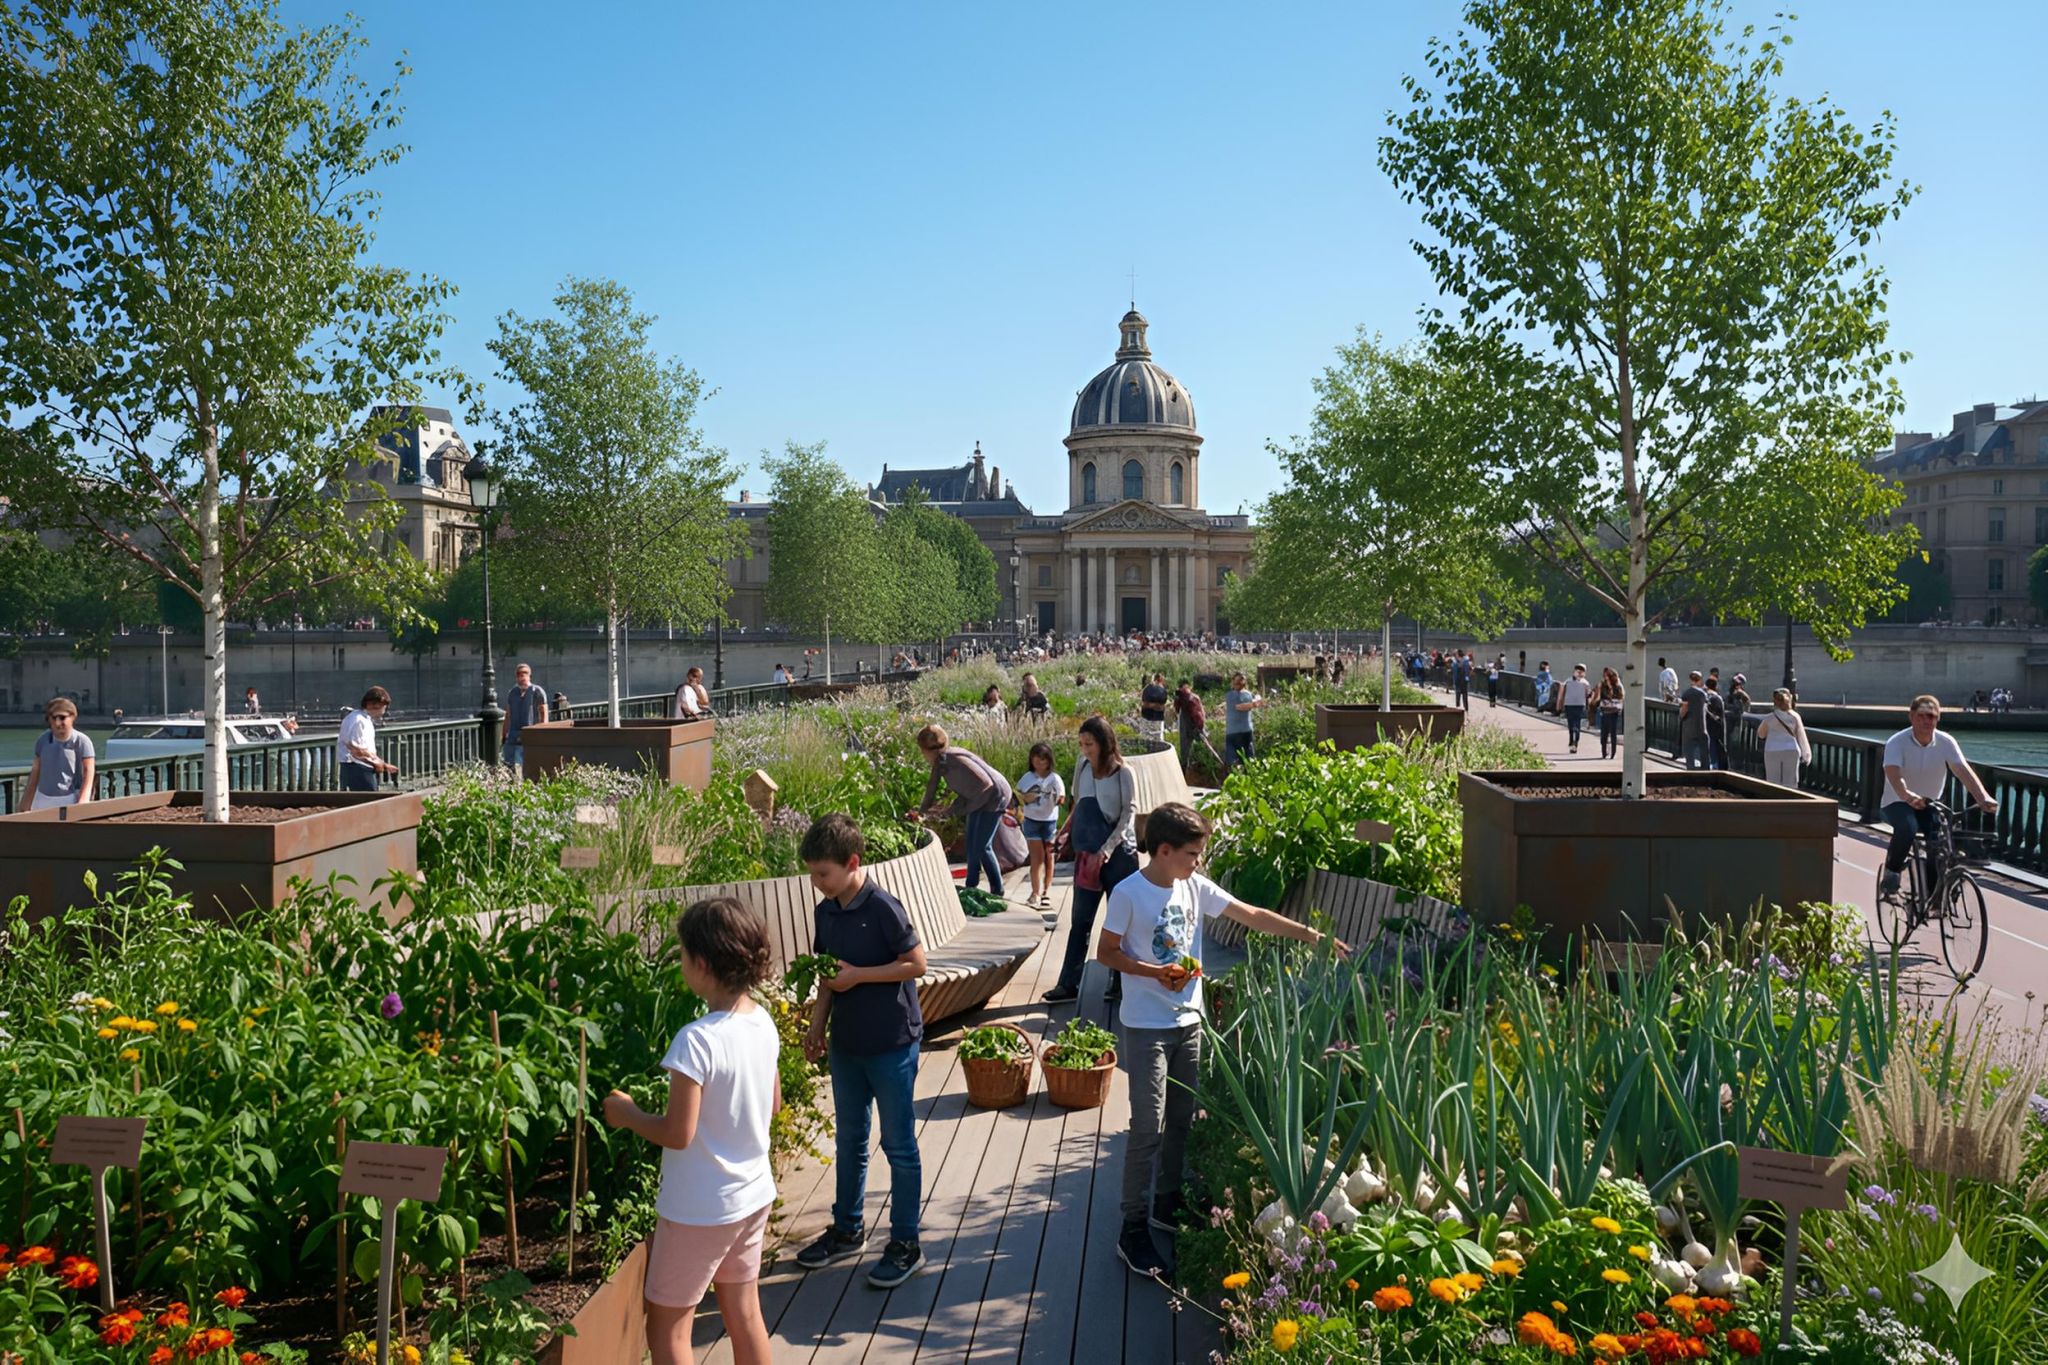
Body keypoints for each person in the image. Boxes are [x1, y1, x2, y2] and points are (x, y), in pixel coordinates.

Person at [1099, 801, 1349, 1278]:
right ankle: (1132, 1227)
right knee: (1148, 1127)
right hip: (1147, 1027)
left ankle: (1167, 1203)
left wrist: (1310, 935)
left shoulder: (1193, 886)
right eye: (1192, 854)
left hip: (1189, 1022)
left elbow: (1250, 914)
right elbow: (1106, 952)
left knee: (1180, 1121)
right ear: (1164, 850)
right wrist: (1154, 972)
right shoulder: (1129, 893)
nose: (1198, 863)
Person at [601, 898, 779, 1365]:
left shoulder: (696, 1041)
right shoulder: (762, 1022)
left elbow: (678, 1133)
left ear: (701, 964)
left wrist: (628, 1114)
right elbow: (773, 1104)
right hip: (753, 1194)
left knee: (667, 1329)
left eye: (682, 954)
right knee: (745, 1312)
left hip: (700, 1209)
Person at [796, 816, 928, 1289]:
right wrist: (817, 1026)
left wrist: (859, 976)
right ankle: (848, 1228)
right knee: (850, 1139)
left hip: (892, 1043)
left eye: (823, 873)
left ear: (853, 863)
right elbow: (827, 975)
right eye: (812, 873)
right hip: (847, 1045)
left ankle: (906, 1242)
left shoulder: (884, 907)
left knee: (898, 1145)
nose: (817, 882)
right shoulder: (825, 912)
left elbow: (916, 964)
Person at [1042, 715, 1139, 1006]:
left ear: (1105, 743)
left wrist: (1107, 849)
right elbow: (1077, 804)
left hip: (1119, 854)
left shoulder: (1123, 772)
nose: (1085, 749)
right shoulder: (1082, 766)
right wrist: (1064, 834)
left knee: (1120, 921)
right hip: (1087, 854)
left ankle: (1121, 983)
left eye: (1090, 744)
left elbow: (1129, 814)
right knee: (1080, 919)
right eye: (1082, 744)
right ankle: (1068, 983)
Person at [1879, 696, 1998, 903]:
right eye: (1922, 716)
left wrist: (1983, 797)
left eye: (1932, 716)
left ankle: (1932, 896)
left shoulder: (1946, 742)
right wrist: (1907, 795)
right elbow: (1893, 774)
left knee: (1938, 842)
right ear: (1912, 717)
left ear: (1938, 719)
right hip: (1897, 802)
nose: (1927, 721)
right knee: (1907, 827)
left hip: (1929, 803)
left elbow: (1962, 770)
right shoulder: (1896, 742)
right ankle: (1892, 872)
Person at [909, 724, 1012, 897]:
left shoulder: (953, 759)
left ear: (929, 749)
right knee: (971, 841)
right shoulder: (940, 762)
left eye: (922, 751)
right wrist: (921, 812)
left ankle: (997, 889)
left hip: (995, 797)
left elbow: (986, 784)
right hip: (977, 799)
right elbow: (931, 788)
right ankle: (971, 885)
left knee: (982, 846)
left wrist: (965, 808)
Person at [1016, 741, 1065, 911]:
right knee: (1036, 857)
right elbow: (1017, 796)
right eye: (1035, 758)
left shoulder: (1055, 778)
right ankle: (1035, 892)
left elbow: (1061, 797)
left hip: (1049, 821)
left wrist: (1056, 799)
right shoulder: (1027, 777)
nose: (1039, 762)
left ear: (1049, 760)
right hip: (1031, 820)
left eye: (1042, 759)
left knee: (1049, 856)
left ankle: (1046, 892)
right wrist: (1025, 798)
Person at [26, 697, 95, 811]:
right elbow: (35, 771)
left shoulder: (82, 741)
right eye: (54, 718)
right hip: (41, 798)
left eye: (62, 718)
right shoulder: (43, 740)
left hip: (69, 798)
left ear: (72, 717)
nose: (58, 723)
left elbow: (89, 771)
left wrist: (83, 800)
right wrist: (26, 802)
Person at [337, 687, 398, 791]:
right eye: (384, 706)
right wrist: (378, 763)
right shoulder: (358, 720)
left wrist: (383, 764)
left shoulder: (363, 719)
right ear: (376, 704)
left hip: (361, 767)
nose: (384, 710)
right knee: (368, 799)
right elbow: (356, 749)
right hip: (357, 768)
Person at [1756, 688, 1810, 789]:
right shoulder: (1795, 717)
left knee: (1773, 782)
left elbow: (1761, 734)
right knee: (1791, 783)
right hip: (1792, 750)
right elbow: (1801, 736)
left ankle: (1774, 798)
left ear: (1774, 701)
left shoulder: (1769, 718)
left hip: (1772, 750)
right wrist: (1806, 755)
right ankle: (1789, 798)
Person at [503, 663, 548, 773]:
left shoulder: (537, 691)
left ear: (529, 676)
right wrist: (504, 734)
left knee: (526, 764)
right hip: (513, 735)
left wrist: (543, 733)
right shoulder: (512, 692)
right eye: (519, 674)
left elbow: (544, 713)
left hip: (529, 734)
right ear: (516, 677)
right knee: (508, 764)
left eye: (525, 673)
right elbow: (508, 714)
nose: (522, 676)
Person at [1173, 680, 1222, 773]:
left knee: (1186, 751)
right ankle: (1217, 765)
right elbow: (1198, 714)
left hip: (1189, 726)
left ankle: (1185, 770)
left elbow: (1179, 710)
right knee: (1206, 745)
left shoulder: (1184, 698)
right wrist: (1200, 726)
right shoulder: (1191, 698)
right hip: (1194, 726)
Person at [1223, 672, 1263, 773]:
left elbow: (1255, 699)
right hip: (1233, 733)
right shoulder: (1230, 695)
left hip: (1246, 731)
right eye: (1236, 681)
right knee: (1234, 762)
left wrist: (1257, 700)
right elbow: (1239, 707)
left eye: (1240, 681)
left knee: (1249, 760)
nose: (1238, 683)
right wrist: (1254, 704)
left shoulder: (1248, 694)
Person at [1559, 663, 1593, 754]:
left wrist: (1589, 706)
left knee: (1577, 725)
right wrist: (1560, 704)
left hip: (1579, 705)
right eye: (1577, 670)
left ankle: (1575, 743)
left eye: (1581, 671)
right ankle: (1571, 739)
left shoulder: (1585, 683)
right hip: (1569, 705)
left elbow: (1589, 695)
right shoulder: (1568, 681)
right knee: (1570, 724)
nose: (1579, 672)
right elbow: (1562, 693)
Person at [1678, 671, 1709, 770]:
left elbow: (1684, 709)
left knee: (1689, 751)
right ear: (1700, 680)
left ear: (1690, 680)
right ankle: (1705, 770)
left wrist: (1681, 716)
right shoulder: (1703, 694)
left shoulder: (1687, 693)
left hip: (1689, 727)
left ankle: (1691, 770)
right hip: (1702, 726)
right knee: (1704, 751)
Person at [1595, 667, 1625, 760]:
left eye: (1607, 676)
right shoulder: (1602, 685)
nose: (1605, 678)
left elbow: (1621, 697)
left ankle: (1613, 753)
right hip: (1604, 711)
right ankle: (1604, 751)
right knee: (1604, 733)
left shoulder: (1617, 686)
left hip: (1614, 712)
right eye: (1604, 676)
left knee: (1613, 732)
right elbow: (1598, 698)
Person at [1702, 677, 1729, 771]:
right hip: (1717, 727)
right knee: (1718, 747)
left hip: (1708, 726)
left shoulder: (1706, 697)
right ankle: (1716, 766)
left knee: (1711, 746)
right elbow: (1719, 714)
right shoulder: (1717, 698)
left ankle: (1712, 765)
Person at [1138, 672, 1170, 743]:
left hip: (1146, 718)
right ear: (1160, 679)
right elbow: (1163, 703)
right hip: (1157, 719)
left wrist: (1149, 705)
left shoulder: (1147, 689)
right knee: (1158, 741)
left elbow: (1143, 702)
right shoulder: (1162, 691)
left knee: (1145, 740)